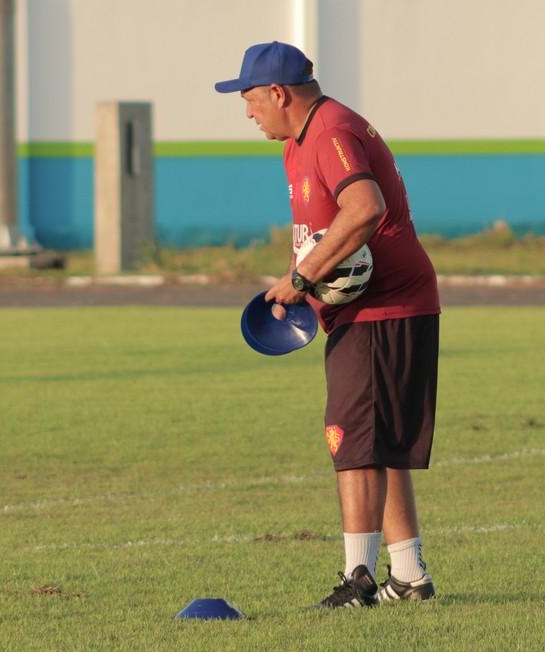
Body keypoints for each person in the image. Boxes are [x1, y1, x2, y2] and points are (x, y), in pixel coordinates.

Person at [215, 41, 440, 608]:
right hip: (371, 309)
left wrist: (304, 275)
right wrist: (299, 286)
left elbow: (364, 207)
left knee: (354, 443)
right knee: (380, 444)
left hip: (381, 309)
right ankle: (408, 578)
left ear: (278, 93)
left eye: (249, 100)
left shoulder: (330, 130)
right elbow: (322, 228)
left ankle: (358, 580)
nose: (247, 113)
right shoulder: (299, 140)